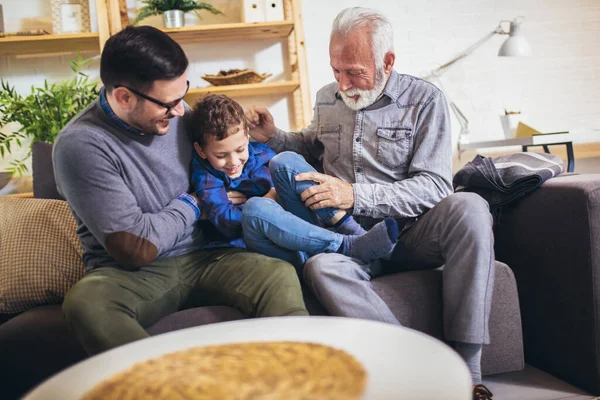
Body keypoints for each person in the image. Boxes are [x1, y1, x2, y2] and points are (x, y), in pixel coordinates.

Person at [246, 7, 495, 399]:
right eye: (336, 71)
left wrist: (356, 193)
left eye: (354, 72)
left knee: (471, 207)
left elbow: (434, 186)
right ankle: (411, 366)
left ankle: (467, 368)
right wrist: (275, 136)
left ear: (387, 62)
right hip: (350, 238)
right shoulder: (328, 97)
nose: (343, 83)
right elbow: (313, 146)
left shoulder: (424, 100)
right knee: (322, 266)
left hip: (410, 232)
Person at [53, 25, 309, 357]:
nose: (180, 111)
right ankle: (169, 387)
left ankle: (300, 377)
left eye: (183, 93)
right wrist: (195, 203)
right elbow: (136, 247)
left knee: (277, 273)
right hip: (136, 274)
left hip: (210, 253)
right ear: (123, 96)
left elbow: (236, 157)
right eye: (168, 103)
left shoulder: (178, 112)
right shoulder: (82, 145)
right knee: (86, 303)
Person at [187, 94, 399, 269]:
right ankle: (348, 246)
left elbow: (288, 179)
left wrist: (275, 191)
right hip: (265, 240)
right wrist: (270, 199)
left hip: (304, 226)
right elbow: (227, 222)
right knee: (256, 207)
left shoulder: (258, 152)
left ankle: (355, 233)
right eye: (221, 155)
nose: (233, 162)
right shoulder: (205, 176)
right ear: (201, 150)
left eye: (240, 149)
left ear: (247, 136)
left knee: (285, 160)